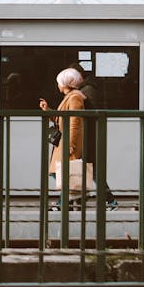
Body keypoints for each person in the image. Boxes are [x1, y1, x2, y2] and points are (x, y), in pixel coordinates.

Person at [68, 62, 118, 210]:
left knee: (86, 170)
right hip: (87, 136)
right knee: (85, 170)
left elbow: (87, 115)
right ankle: (76, 200)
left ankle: (107, 200)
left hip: (86, 137)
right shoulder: (85, 89)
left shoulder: (85, 91)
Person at [39, 67, 85, 211]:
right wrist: (48, 110)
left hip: (68, 142)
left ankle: (67, 201)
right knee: (62, 173)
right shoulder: (71, 97)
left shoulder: (75, 98)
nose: (58, 85)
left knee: (61, 173)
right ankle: (69, 201)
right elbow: (63, 119)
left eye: (59, 82)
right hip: (65, 141)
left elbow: (74, 123)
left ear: (66, 83)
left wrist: (70, 144)